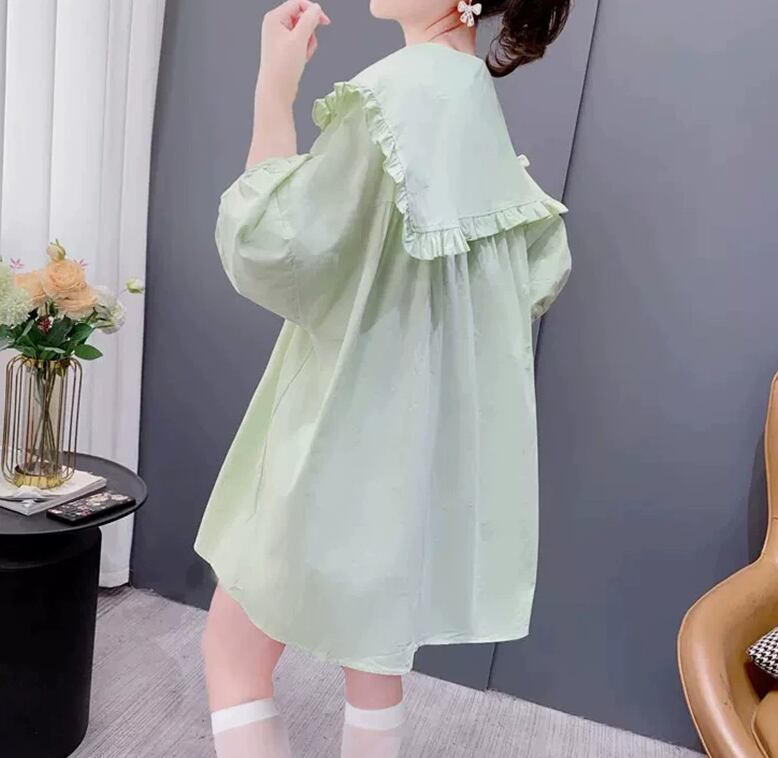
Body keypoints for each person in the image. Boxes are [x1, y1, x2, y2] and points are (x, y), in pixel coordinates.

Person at [194, 0, 572, 755]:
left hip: (334, 428)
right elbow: (533, 276)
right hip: (413, 455)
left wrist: (274, 90)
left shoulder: (396, 92)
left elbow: (271, 244)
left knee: (232, 656)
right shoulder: (471, 99)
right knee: (374, 665)